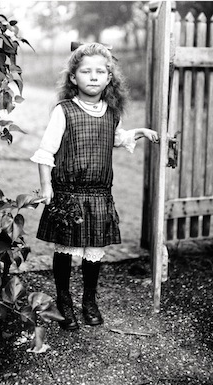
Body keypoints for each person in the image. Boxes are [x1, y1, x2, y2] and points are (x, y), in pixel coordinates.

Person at [30, 42, 159, 331]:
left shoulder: (112, 113)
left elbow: (115, 138)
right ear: (73, 78)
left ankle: (89, 299)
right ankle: (64, 299)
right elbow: (45, 152)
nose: (93, 76)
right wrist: (45, 186)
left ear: (109, 78)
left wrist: (139, 132)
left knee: (94, 249)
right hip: (69, 193)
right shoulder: (64, 111)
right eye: (85, 71)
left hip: (100, 194)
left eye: (100, 71)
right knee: (66, 248)